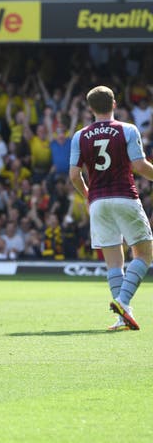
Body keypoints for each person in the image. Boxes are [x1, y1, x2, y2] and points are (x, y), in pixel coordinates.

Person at [69, 86, 153, 331]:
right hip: (124, 196)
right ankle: (122, 301)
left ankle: (122, 317)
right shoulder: (127, 129)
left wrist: (87, 195)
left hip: (98, 202)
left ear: (90, 108)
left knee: (114, 261)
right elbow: (139, 166)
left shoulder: (80, 136)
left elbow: (74, 175)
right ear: (114, 104)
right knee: (145, 253)